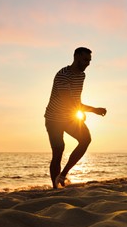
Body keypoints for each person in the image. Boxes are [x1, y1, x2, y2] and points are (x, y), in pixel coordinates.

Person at [45, 47, 107, 189]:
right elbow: (68, 101)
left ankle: (63, 175)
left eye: (89, 61)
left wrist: (90, 110)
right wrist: (88, 111)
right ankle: (55, 188)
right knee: (58, 151)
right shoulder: (63, 75)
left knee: (85, 139)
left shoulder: (81, 75)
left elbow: (75, 99)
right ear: (76, 57)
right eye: (85, 60)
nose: (88, 63)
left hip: (68, 118)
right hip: (54, 119)